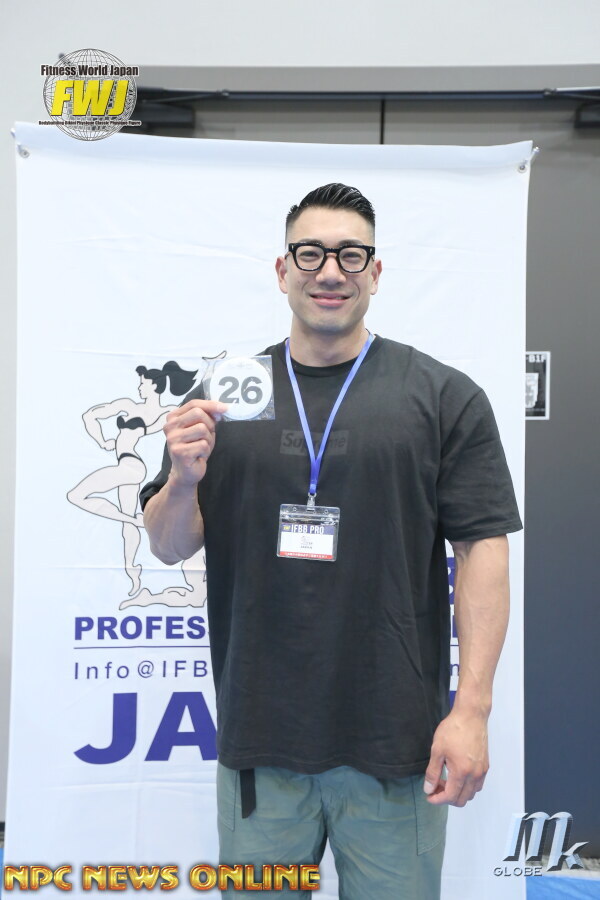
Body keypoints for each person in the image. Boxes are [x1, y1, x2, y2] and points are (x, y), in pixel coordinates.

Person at [141, 183, 523, 899]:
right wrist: (184, 479)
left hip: (396, 747)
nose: (329, 271)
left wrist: (471, 710)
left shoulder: (441, 396)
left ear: (375, 273)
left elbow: (483, 551)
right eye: (310, 253)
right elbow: (168, 546)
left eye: (351, 255)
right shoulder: (224, 394)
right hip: (261, 742)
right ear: (282, 269)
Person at [67, 361, 196, 597]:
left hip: (131, 466)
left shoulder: (167, 413)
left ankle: (135, 521)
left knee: (76, 495)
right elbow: (89, 416)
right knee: (128, 526)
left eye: (143, 384)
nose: (139, 388)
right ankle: (133, 575)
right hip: (127, 465)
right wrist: (102, 442)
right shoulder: (127, 405)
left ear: (154, 386)